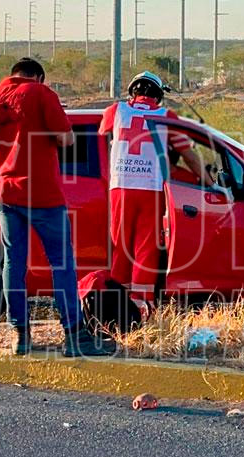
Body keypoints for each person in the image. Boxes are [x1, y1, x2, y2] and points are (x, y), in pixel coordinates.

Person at [0, 57, 114, 357]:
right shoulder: (41, 94)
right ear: (38, 77)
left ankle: (20, 336)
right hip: (42, 194)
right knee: (61, 263)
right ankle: (75, 336)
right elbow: (66, 139)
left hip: (5, 193)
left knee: (13, 264)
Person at [99, 71, 208, 316]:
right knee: (146, 247)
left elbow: (102, 135)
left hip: (120, 188)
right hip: (151, 188)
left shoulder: (115, 111)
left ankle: (117, 302)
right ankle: (141, 303)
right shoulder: (166, 116)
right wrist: (210, 181)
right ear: (158, 96)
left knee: (120, 245)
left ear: (132, 92)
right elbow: (189, 156)